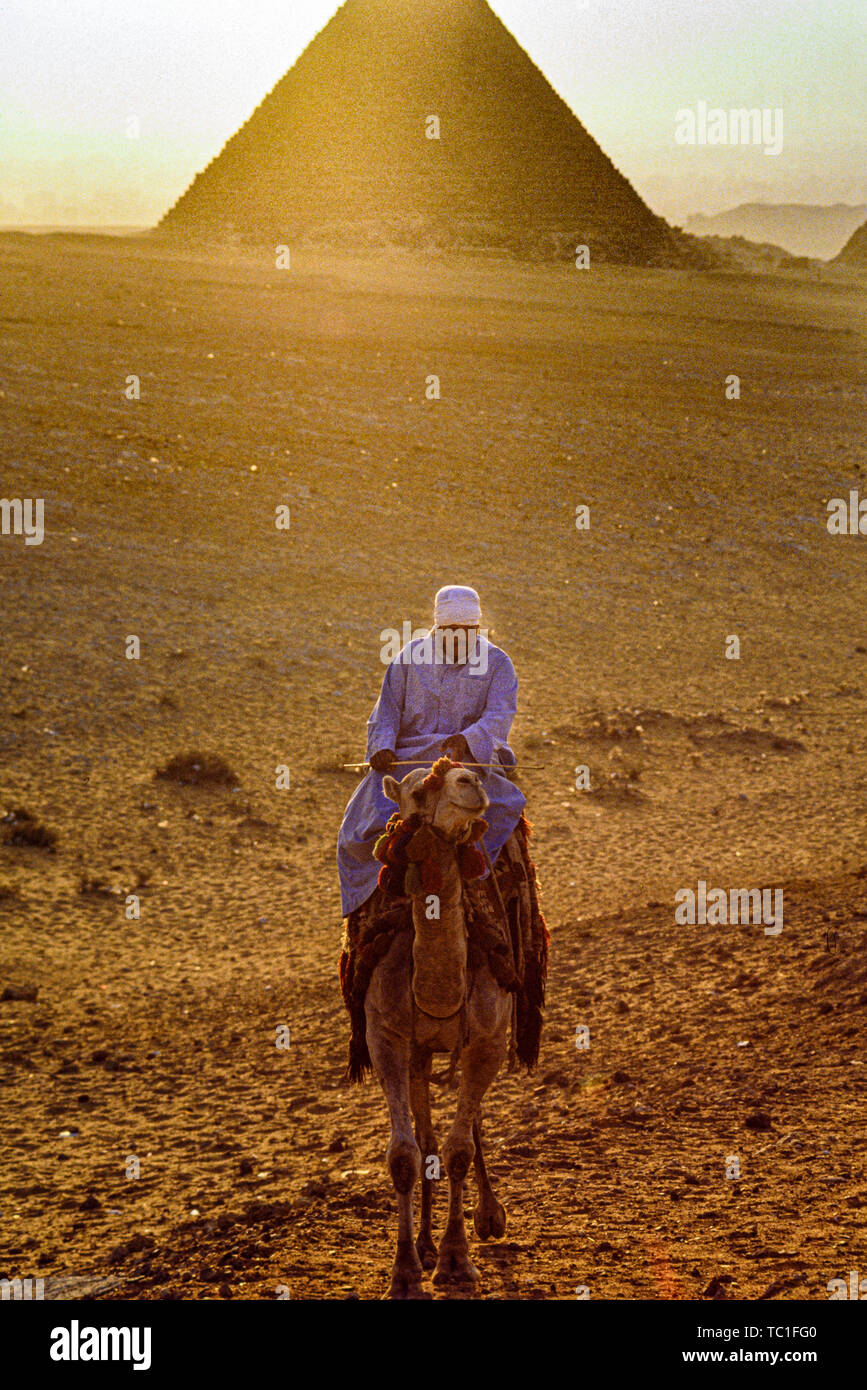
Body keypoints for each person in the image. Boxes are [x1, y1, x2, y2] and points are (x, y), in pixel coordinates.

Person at [337, 585, 526, 917]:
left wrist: (468, 739)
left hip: (470, 761)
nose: (458, 637)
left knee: (501, 809)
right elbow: (387, 712)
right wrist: (382, 747)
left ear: (477, 628)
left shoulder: (498, 663)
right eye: (451, 630)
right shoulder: (409, 658)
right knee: (358, 831)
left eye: (466, 631)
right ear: (437, 627)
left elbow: (499, 715)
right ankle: (365, 914)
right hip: (406, 762)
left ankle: (478, 889)